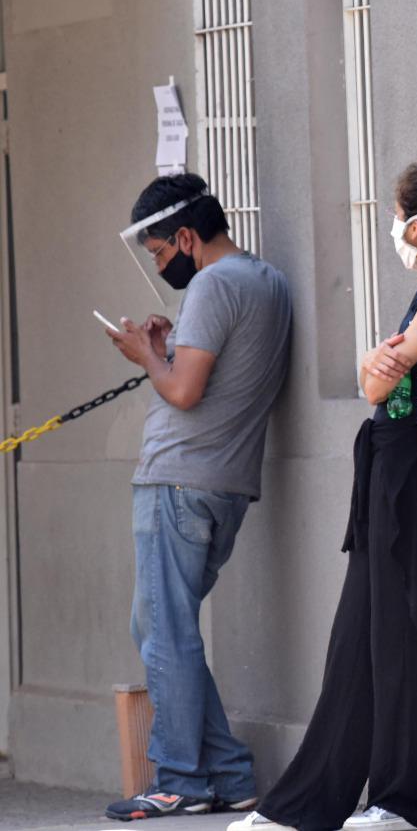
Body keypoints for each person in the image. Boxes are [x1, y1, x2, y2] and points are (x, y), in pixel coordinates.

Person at [227, 162, 417, 831]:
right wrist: (377, 362)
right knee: (359, 640)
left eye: (397, 215)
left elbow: (382, 374)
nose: (393, 228)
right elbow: (373, 383)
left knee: (410, 632)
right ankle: (312, 801)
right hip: (387, 481)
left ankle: (404, 797)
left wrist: (379, 360)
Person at [103, 174, 292, 821]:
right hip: (225, 482)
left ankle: (181, 776)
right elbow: (206, 374)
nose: (161, 265)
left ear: (186, 236)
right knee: (162, 626)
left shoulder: (213, 282)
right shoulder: (266, 281)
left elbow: (182, 391)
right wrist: (165, 348)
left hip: (180, 478)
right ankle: (231, 774)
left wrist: (142, 353)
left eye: (159, 253)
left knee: (164, 630)